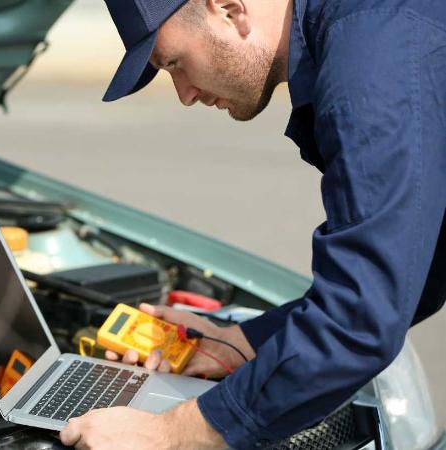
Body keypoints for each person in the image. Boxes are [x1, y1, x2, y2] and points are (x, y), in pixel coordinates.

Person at [58, 0, 446, 448]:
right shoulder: (374, 23)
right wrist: (240, 341)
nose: (184, 95)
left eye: (175, 64)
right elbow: (419, 271)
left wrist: (170, 434)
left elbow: (358, 322)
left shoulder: (374, 63)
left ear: (228, 8)